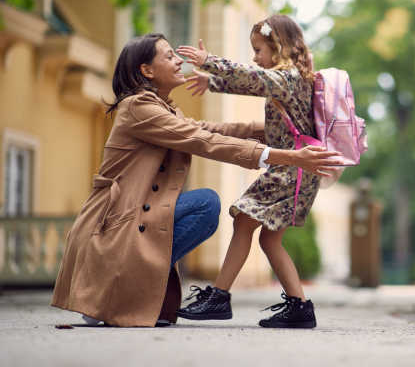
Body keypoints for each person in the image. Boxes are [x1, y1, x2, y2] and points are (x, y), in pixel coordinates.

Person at [51, 33, 341, 327]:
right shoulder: (138, 108)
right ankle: (116, 283)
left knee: (204, 204)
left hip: (135, 214)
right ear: (146, 70)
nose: (179, 61)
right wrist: (289, 157)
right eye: (169, 56)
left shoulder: (163, 108)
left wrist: (277, 131)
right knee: (205, 203)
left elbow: (210, 128)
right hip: (115, 222)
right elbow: (202, 140)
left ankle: (121, 290)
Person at [175, 15, 331, 328]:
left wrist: (211, 63)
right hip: (295, 168)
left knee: (244, 220)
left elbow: (253, 78)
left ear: (280, 48)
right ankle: (300, 307)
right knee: (269, 240)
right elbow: (256, 81)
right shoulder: (294, 78)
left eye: (259, 49)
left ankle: (219, 296)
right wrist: (213, 82)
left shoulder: (287, 77)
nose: (255, 56)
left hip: (293, 167)